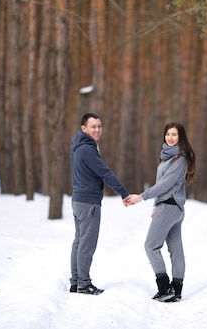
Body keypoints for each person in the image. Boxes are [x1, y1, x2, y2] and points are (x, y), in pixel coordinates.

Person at [127, 121, 196, 302]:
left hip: (170, 207)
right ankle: (176, 289)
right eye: (167, 134)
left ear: (180, 137)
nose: (170, 138)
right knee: (175, 249)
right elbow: (165, 186)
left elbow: (165, 184)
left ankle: (165, 287)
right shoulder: (168, 157)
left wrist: (141, 197)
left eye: (174, 134)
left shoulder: (180, 159)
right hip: (169, 206)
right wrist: (156, 205)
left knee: (150, 245)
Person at [69, 113, 130, 295]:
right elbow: (106, 173)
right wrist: (124, 193)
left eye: (99, 126)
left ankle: (76, 281)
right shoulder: (87, 149)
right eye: (93, 126)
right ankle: (83, 284)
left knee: (79, 243)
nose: (97, 130)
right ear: (84, 129)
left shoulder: (80, 147)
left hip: (79, 200)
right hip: (88, 203)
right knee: (86, 245)